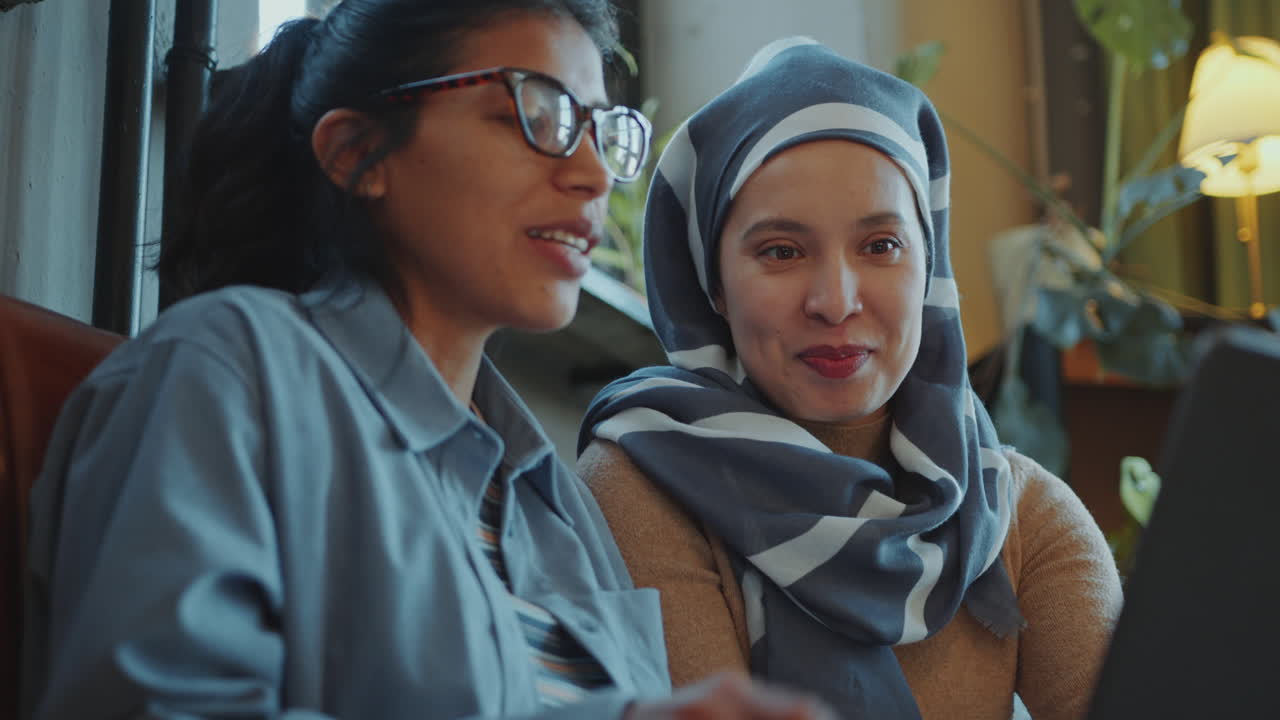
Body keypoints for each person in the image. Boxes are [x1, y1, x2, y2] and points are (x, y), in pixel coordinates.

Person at [20, 4, 837, 719]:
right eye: (537, 112)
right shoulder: (225, 373)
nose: (592, 175)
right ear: (358, 152)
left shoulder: (555, 502)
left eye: (599, 130)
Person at [577, 37, 1124, 720]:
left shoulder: (1014, 512)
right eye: (782, 251)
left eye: (881, 246)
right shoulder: (642, 487)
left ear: (929, 269)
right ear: (713, 284)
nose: (835, 302)